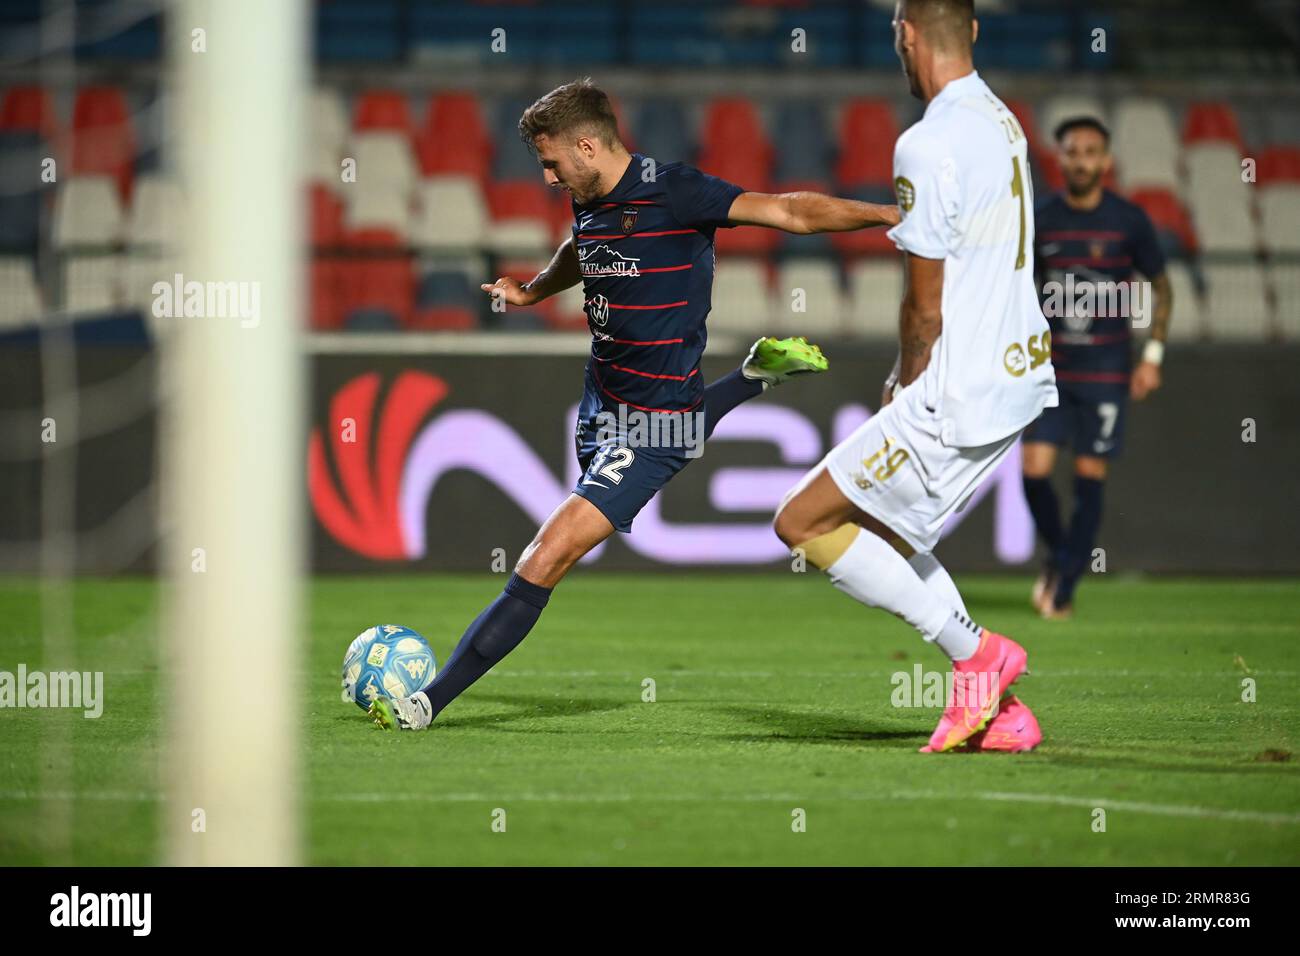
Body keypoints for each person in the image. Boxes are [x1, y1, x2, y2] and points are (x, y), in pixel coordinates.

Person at [371, 78, 900, 731]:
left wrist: (887, 217)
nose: (546, 177)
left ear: (588, 147)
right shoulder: (590, 200)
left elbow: (789, 211)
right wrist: (535, 291)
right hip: (604, 399)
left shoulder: (676, 191)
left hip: (652, 423)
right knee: (647, 459)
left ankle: (428, 702)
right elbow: (582, 248)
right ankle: (752, 377)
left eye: (552, 162)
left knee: (547, 554)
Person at [771, 0, 1057, 754]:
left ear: (904, 34)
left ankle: (980, 657)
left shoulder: (926, 143)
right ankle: (1005, 714)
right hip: (1019, 368)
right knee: (879, 526)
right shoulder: (1001, 119)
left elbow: (923, 303)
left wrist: (906, 376)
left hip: (961, 382)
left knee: (803, 522)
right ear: (975, 31)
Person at [1021, 116, 1173, 619]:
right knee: (1033, 472)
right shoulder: (1041, 217)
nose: (1081, 160)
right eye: (1072, 151)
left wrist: (1151, 356)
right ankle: (1062, 557)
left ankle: (1064, 584)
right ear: (1059, 158)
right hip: (1050, 370)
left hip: (1107, 369)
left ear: (1106, 161)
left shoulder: (1128, 220)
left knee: (1089, 473)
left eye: (1090, 151)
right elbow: (1018, 289)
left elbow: (1162, 287)